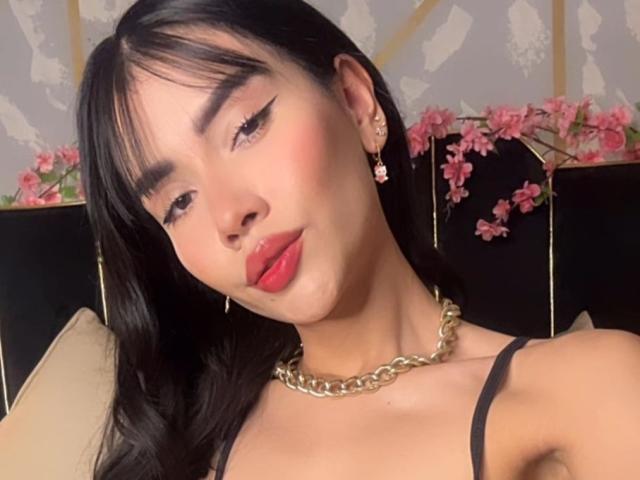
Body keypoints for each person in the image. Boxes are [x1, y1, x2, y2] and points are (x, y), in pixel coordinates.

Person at [76, 1, 640, 479]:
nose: (229, 215)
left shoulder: (587, 388)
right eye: (178, 202)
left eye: (246, 127)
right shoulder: (189, 449)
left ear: (354, 101)